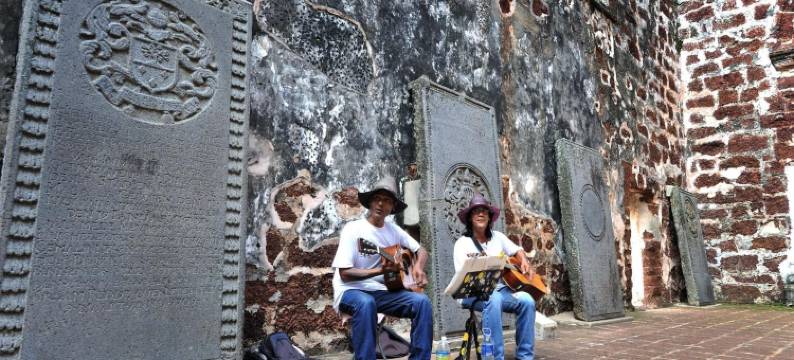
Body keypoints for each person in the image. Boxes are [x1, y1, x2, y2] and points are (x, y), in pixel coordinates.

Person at [331, 176, 433, 360]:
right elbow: (344, 274)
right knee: (366, 303)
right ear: (370, 202)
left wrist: (418, 267)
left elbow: (421, 250)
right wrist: (379, 271)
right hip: (350, 291)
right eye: (377, 198)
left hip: (382, 291)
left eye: (386, 200)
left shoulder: (393, 230)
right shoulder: (353, 230)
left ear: (392, 207)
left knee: (422, 302)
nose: (380, 204)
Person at [453, 193, 536, 360]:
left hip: (498, 289)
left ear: (490, 217)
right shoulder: (462, 243)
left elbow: (517, 250)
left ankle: (525, 356)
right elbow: (463, 277)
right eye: (476, 211)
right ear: (470, 218)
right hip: (470, 293)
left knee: (527, 300)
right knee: (494, 298)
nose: (481, 214)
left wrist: (524, 261)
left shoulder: (498, 237)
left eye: (484, 211)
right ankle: (494, 357)